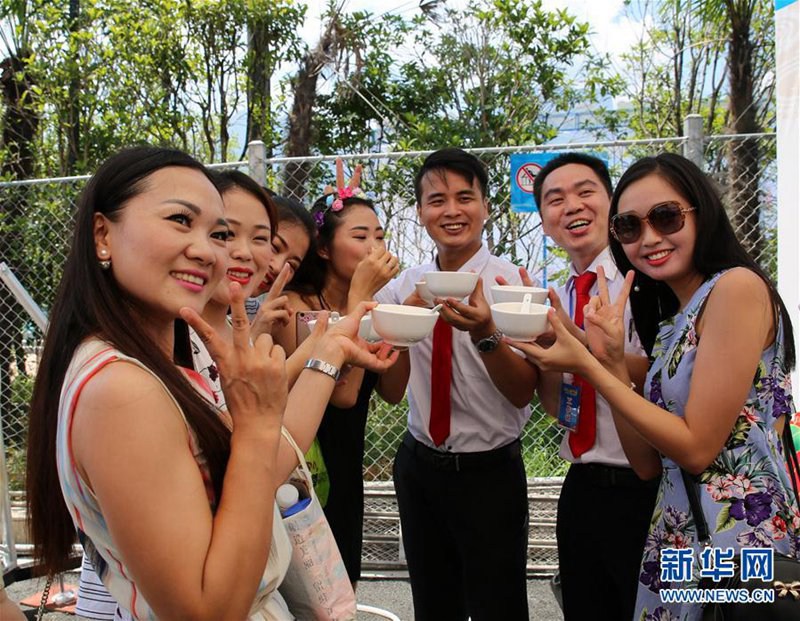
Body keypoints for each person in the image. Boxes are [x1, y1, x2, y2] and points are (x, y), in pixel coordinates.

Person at [26, 146, 396, 620]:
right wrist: (260, 423)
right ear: (103, 234)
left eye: (215, 232)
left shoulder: (162, 365)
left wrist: (329, 352)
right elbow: (206, 611)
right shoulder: (124, 391)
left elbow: (258, 469)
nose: (209, 250)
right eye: (180, 220)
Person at [514, 153, 800, 620]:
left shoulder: (736, 289)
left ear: (701, 212)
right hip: (680, 534)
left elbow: (696, 448)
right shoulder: (673, 322)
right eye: (629, 227)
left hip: (741, 538)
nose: (648, 238)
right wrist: (606, 357)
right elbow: (646, 463)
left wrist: (592, 367)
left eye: (665, 217)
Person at [375, 147, 538, 620]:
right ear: (421, 212)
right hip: (419, 467)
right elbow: (389, 393)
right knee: (432, 602)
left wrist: (487, 332)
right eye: (436, 199)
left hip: (490, 473)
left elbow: (522, 391)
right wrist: (403, 327)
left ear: (486, 206)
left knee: (499, 604)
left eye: (465, 197)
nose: (451, 210)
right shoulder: (405, 285)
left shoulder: (512, 284)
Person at [525, 153, 658, 620]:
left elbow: (668, 369)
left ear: (612, 203)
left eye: (586, 192)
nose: (572, 206)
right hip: (581, 486)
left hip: (648, 488)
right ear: (543, 222)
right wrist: (541, 356)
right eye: (555, 199)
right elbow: (563, 409)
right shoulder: (561, 294)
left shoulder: (644, 283)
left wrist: (588, 349)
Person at [274, 159, 400, 586]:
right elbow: (341, 396)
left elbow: (393, 393)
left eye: (380, 236)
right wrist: (361, 298)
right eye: (360, 235)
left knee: (340, 587)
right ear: (323, 248)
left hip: (346, 469)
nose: (373, 247)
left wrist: (403, 334)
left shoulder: (377, 306)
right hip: (299, 469)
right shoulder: (295, 306)